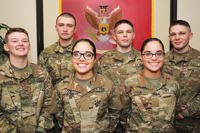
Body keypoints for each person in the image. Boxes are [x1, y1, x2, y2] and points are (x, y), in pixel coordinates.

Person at [52, 39, 123, 132]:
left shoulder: (108, 85)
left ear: (94, 59)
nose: (81, 58)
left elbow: (114, 114)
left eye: (88, 55)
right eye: (77, 54)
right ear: (72, 58)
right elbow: (59, 117)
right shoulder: (61, 87)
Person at [0, 27, 54, 132]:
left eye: (24, 41)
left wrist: (41, 129)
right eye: (15, 41)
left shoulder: (42, 73)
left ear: (29, 46)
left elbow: (49, 106)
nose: (21, 44)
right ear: (6, 47)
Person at [125, 38, 179, 133]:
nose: (154, 58)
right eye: (148, 54)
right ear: (141, 57)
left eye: (158, 53)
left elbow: (175, 113)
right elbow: (123, 115)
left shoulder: (173, 84)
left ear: (164, 56)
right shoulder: (129, 83)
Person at [97, 19, 141, 132]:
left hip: (137, 119)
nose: (125, 35)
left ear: (134, 35)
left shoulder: (143, 59)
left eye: (128, 32)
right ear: (114, 36)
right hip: (110, 120)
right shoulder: (103, 60)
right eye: (120, 32)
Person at [163, 20, 200, 133]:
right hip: (165, 124)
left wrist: (186, 111)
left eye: (182, 33)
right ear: (169, 37)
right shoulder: (160, 60)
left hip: (193, 125)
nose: (177, 37)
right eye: (173, 34)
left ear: (190, 35)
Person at [39, 12, 76, 86]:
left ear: (75, 29)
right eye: (61, 25)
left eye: (69, 26)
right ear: (56, 28)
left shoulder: (83, 51)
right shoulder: (46, 53)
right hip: (53, 96)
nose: (65, 29)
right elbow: (42, 83)